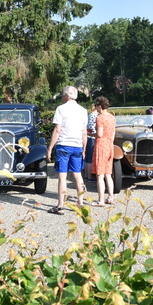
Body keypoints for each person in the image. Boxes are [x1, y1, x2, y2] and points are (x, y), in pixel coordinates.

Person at [46, 86, 88, 214]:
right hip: (77, 146)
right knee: (77, 175)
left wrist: (50, 148)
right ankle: (80, 203)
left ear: (66, 95)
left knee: (62, 176)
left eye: (62, 95)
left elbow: (57, 130)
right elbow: (84, 132)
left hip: (64, 145)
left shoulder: (61, 109)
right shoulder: (83, 110)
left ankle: (60, 206)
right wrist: (84, 149)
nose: (62, 97)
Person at [90, 96, 116, 207]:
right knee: (108, 174)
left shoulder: (100, 118)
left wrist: (90, 134)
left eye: (96, 106)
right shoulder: (112, 117)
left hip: (101, 146)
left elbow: (99, 134)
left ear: (100, 106)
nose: (96, 108)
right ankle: (110, 197)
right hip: (110, 146)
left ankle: (100, 200)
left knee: (100, 175)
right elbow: (113, 134)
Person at [83, 103, 98, 181]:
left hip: (88, 137)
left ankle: (86, 175)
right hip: (93, 137)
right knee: (90, 158)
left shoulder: (89, 115)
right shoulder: (97, 116)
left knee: (87, 157)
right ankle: (90, 176)